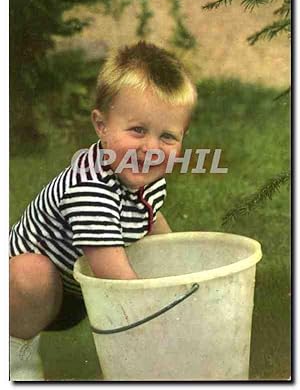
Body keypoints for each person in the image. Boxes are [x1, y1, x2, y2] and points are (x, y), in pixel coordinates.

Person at [9, 41, 197, 380]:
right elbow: (113, 274)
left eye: (167, 136)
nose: (150, 149)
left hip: (77, 287)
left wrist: (180, 269)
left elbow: (152, 222)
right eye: (138, 130)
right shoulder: (90, 187)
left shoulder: (146, 177)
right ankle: (13, 357)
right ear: (101, 125)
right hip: (28, 290)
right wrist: (161, 315)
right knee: (31, 273)